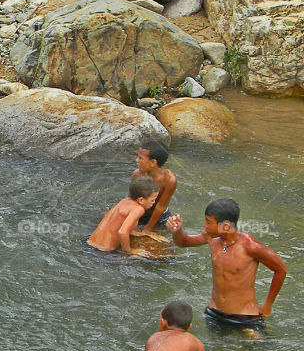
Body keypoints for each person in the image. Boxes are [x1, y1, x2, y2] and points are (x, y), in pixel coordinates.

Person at [167, 198, 286, 330]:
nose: (204, 225)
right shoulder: (211, 237)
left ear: (225, 226)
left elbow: (281, 269)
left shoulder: (250, 246)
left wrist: (268, 304)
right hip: (214, 312)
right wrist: (177, 231)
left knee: (257, 343)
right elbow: (183, 242)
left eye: (208, 221)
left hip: (245, 318)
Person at [87, 177, 160, 254]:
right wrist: (129, 251)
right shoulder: (138, 209)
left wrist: (143, 234)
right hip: (104, 251)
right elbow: (123, 232)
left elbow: (123, 228)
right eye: (152, 200)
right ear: (141, 200)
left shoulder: (124, 201)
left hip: (90, 243)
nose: (154, 203)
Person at [133, 140, 176, 231]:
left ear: (153, 162)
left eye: (140, 158)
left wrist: (147, 228)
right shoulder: (137, 175)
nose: (137, 160)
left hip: (159, 216)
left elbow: (161, 206)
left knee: (168, 231)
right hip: (141, 211)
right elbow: (132, 199)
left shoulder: (169, 180)